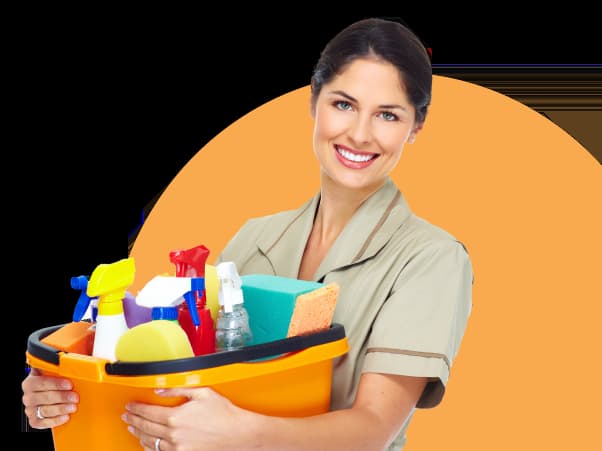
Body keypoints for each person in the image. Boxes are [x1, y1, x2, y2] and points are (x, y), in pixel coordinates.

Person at [22, 17, 473, 450]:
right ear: (314, 102)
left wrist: (242, 435)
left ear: (416, 126)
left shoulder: (431, 259)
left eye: (388, 115)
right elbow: (191, 386)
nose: (359, 134)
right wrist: (64, 396)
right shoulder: (256, 237)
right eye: (343, 104)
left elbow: (372, 430)